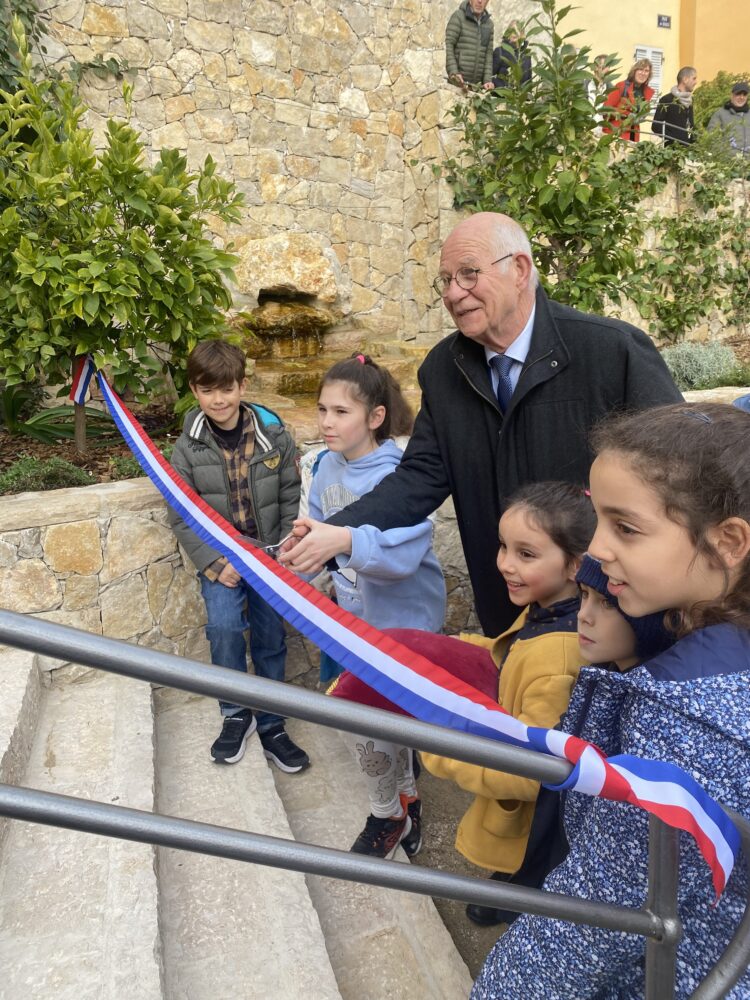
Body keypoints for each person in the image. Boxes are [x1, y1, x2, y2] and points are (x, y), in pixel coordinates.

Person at [281, 212, 682, 638]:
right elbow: (419, 478)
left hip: (605, 612)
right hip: (507, 607)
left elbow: (678, 470)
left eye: (469, 274)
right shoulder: (443, 369)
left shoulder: (609, 351)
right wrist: (340, 528)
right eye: (446, 280)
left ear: (520, 270)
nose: (454, 293)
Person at [473, 402, 750, 1000]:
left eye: (625, 527)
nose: (595, 548)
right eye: (598, 519)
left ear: (727, 542)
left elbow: (602, 908)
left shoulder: (690, 721)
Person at [420, 482, 594, 925]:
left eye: (526, 554)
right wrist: (451, 651)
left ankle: (523, 900)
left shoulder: (557, 658)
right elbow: (511, 654)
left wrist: (441, 752)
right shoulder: (551, 607)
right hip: (538, 815)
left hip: (539, 818)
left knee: (535, 866)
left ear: (575, 564)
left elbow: (531, 773)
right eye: (503, 547)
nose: (505, 565)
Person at [295, 354, 446, 859]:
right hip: (353, 623)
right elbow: (317, 533)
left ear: (376, 417)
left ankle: (388, 814)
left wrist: (339, 543)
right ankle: (402, 800)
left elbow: (402, 555)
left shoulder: (401, 473)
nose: (327, 423)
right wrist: (293, 561)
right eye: (322, 410)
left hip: (405, 625)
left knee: (375, 722)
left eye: (341, 412)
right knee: (370, 721)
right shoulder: (323, 468)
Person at [168, 340, 310, 772]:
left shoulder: (274, 435)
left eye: (227, 389)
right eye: (208, 390)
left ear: (242, 385)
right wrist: (213, 562)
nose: (219, 399)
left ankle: (272, 723)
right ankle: (235, 715)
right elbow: (181, 513)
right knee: (225, 630)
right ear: (195, 390)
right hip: (222, 559)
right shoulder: (187, 447)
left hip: (267, 558)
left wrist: (285, 546)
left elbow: (290, 494)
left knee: (270, 639)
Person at [445, 0, 495, 91]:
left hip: (477, 88)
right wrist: (454, 72)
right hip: (457, 84)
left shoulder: (489, 24)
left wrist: (487, 80)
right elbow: (449, 45)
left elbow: (488, 54)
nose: (479, 1)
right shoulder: (458, 17)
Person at [603, 58, 655, 142]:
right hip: (615, 134)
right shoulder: (621, 86)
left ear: (649, 74)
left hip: (633, 136)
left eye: (646, 71)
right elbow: (605, 110)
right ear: (634, 71)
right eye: (640, 69)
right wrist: (626, 114)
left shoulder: (646, 92)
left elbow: (642, 114)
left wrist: (642, 116)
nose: (643, 73)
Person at [652, 66, 697, 146]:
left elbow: (691, 126)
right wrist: (674, 139)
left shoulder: (689, 101)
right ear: (685, 79)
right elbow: (656, 126)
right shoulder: (667, 100)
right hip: (671, 151)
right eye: (694, 78)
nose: (696, 82)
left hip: (687, 151)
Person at [708, 81, 750, 158]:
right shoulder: (720, 114)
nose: (742, 97)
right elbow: (712, 139)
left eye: (744, 94)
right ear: (732, 95)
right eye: (738, 94)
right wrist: (727, 156)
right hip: (729, 165)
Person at [491, 21, 531, 90]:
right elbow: (489, 77)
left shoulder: (526, 54)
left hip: (521, 98)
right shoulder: (500, 51)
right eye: (512, 30)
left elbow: (528, 81)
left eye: (517, 30)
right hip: (503, 97)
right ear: (507, 33)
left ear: (522, 35)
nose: (514, 33)